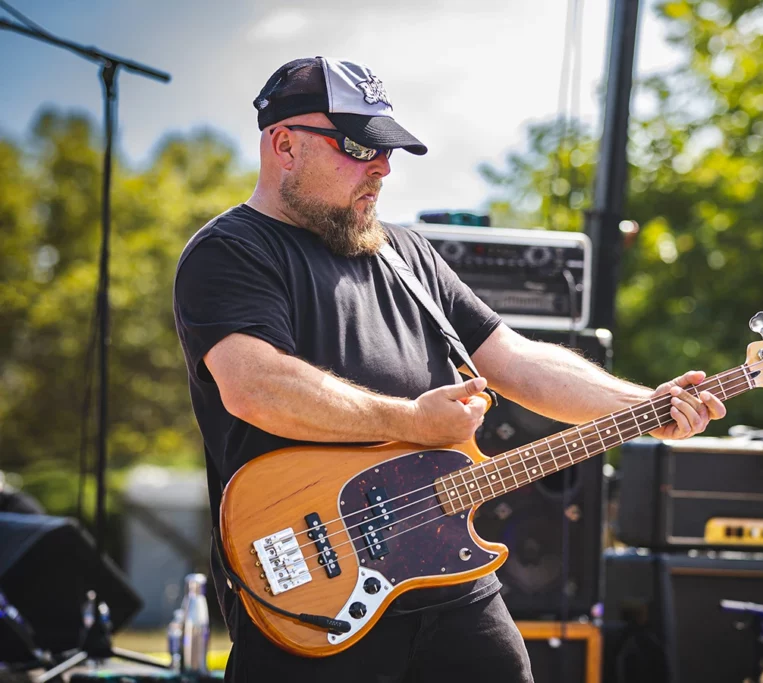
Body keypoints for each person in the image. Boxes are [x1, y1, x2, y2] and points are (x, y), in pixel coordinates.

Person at [172, 56, 726, 683]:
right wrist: (412, 421)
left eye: (386, 151)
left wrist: (644, 405)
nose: (381, 167)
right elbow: (256, 388)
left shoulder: (406, 252)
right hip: (317, 592)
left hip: (447, 577)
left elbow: (516, 360)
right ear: (284, 146)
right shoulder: (230, 251)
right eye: (359, 148)